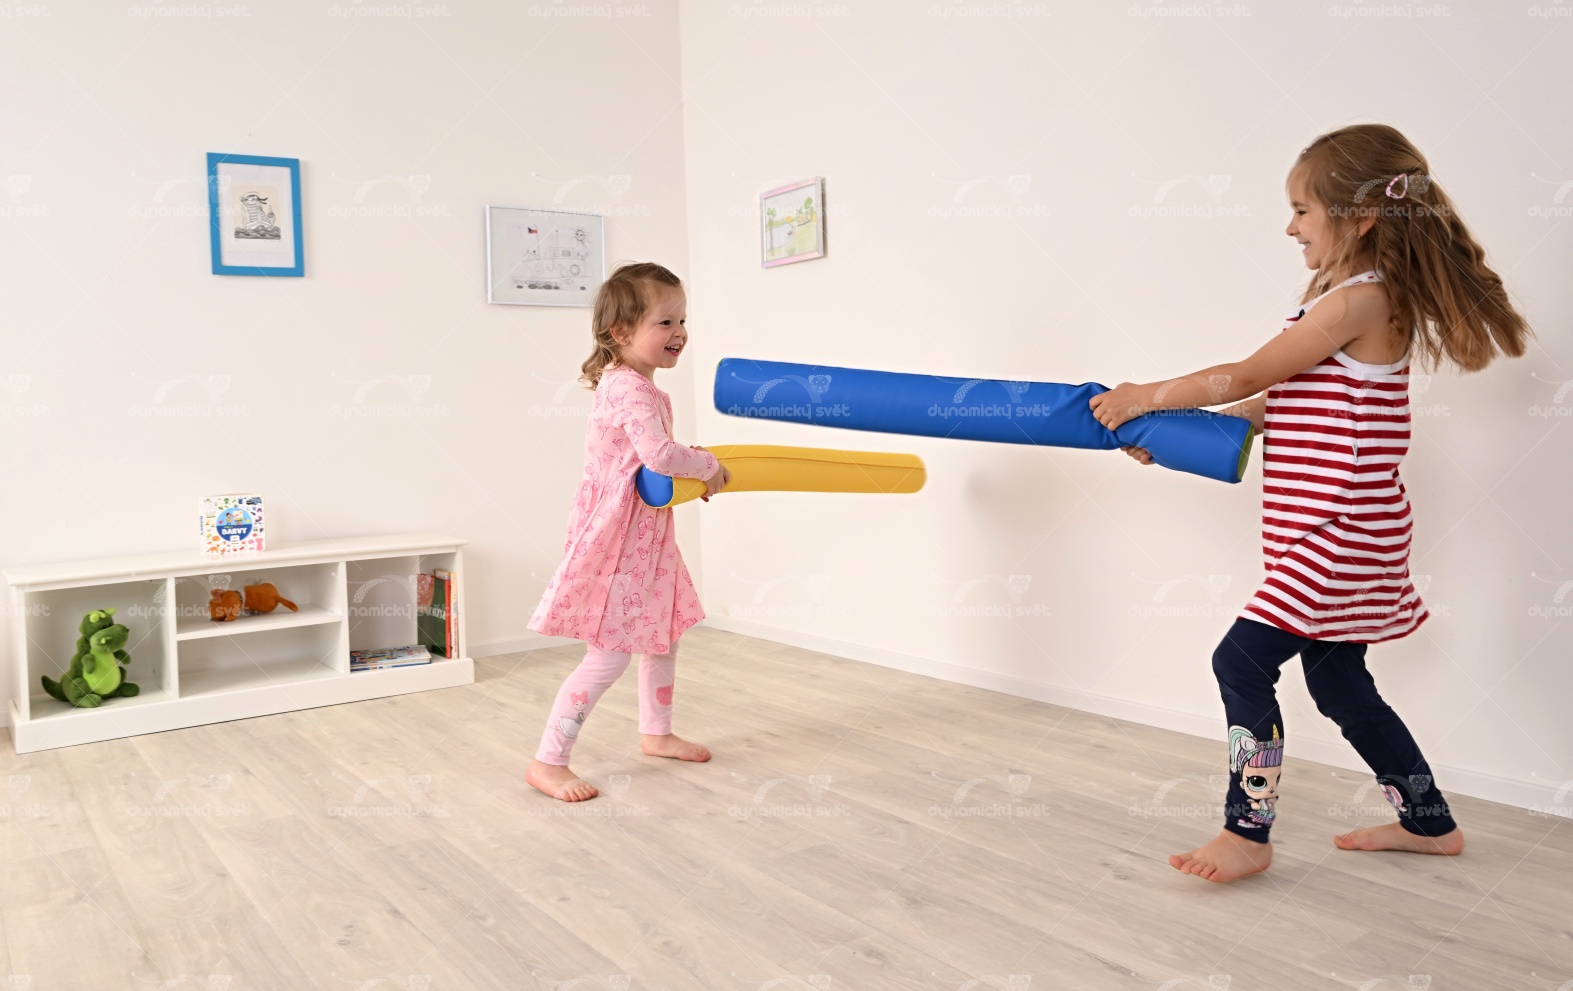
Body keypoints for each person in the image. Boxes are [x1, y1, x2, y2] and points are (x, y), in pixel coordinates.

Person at [1091, 123, 1533, 882]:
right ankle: (1429, 824)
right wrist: (1170, 436)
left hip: (1337, 529)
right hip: (1338, 527)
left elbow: (1244, 374)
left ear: (1359, 217)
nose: (1290, 227)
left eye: (1301, 209)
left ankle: (1247, 832)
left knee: (1238, 660)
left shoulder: (1361, 300)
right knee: (1338, 681)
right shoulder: (1343, 303)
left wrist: (1142, 395)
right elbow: (1275, 402)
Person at [524, 261, 730, 802]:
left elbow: (649, 467)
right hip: (618, 542)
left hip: (646, 537)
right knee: (609, 655)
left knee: (664, 631)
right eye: (665, 322)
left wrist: (692, 476)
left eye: (682, 321)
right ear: (620, 332)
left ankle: (656, 733)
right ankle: (548, 762)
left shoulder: (639, 386)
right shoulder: (628, 388)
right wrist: (708, 465)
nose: (679, 332)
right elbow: (659, 454)